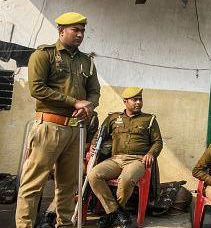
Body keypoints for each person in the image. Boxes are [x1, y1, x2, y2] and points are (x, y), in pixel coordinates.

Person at [16, 12, 100, 228]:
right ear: (61, 31)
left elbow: (94, 92)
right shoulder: (45, 55)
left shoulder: (86, 62)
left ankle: (64, 225)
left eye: (82, 30)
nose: (80, 34)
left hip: (75, 131)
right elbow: (37, 89)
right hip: (49, 127)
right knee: (33, 184)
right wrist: (74, 102)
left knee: (68, 186)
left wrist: (88, 107)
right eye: (75, 30)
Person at [88, 87, 163, 228]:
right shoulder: (113, 118)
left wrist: (151, 153)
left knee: (126, 179)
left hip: (137, 160)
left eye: (140, 99)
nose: (138, 103)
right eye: (135, 100)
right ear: (125, 101)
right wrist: (93, 145)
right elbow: (100, 134)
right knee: (93, 175)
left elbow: (158, 142)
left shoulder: (149, 119)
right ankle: (116, 212)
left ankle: (113, 214)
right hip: (116, 159)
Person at [35, 113, 99, 228]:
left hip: (73, 157)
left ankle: (50, 214)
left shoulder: (92, 117)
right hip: (51, 153)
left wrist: (72, 147)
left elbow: (87, 143)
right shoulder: (56, 111)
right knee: (36, 178)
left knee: (69, 178)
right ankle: (37, 215)